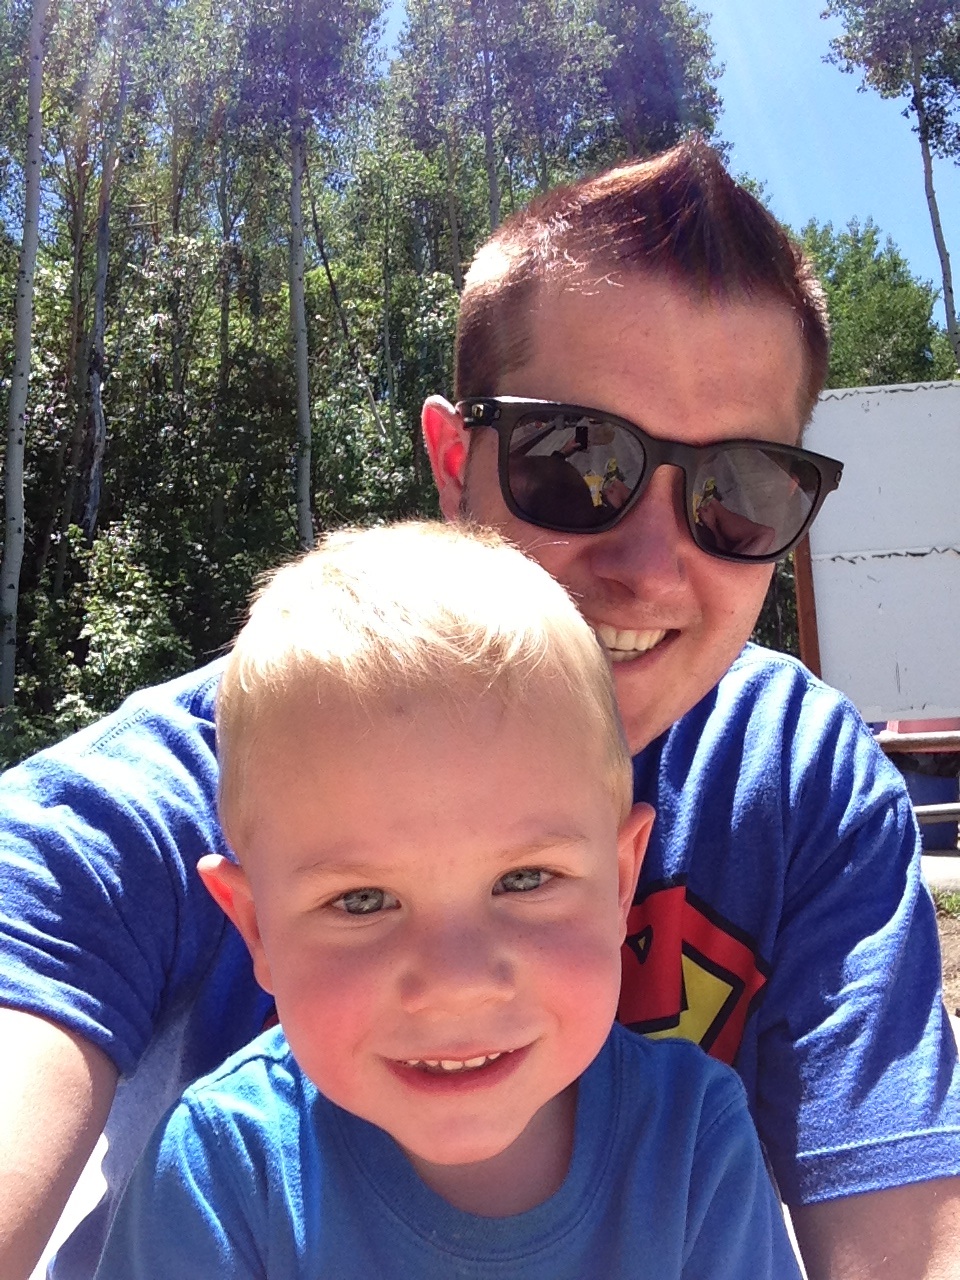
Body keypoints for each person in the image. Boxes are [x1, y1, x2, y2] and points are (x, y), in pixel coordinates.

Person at [0, 136, 957, 1280]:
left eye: (741, 488)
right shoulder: (131, 810)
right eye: (579, 457)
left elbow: (904, 1250)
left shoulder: (793, 772)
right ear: (455, 462)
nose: (651, 567)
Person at [91, 521, 801, 1278]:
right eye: (363, 900)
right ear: (256, 927)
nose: (456, 982)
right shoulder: (221, 1171)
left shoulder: (692, 1146)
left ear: (619, 883)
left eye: (524, 880)